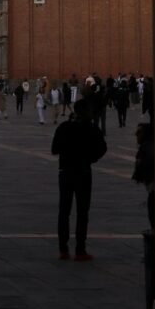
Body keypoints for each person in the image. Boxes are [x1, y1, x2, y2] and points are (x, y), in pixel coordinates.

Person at [51, 97, 107, 260]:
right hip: (83, 172)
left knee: (64, 211)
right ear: (87, 112)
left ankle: (63, 249)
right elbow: (103, 149)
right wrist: (91, 158)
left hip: (66, 172)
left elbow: (54, 149)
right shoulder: (91, 129)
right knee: (82, 212)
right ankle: (80, 250)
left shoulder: (64, 127)